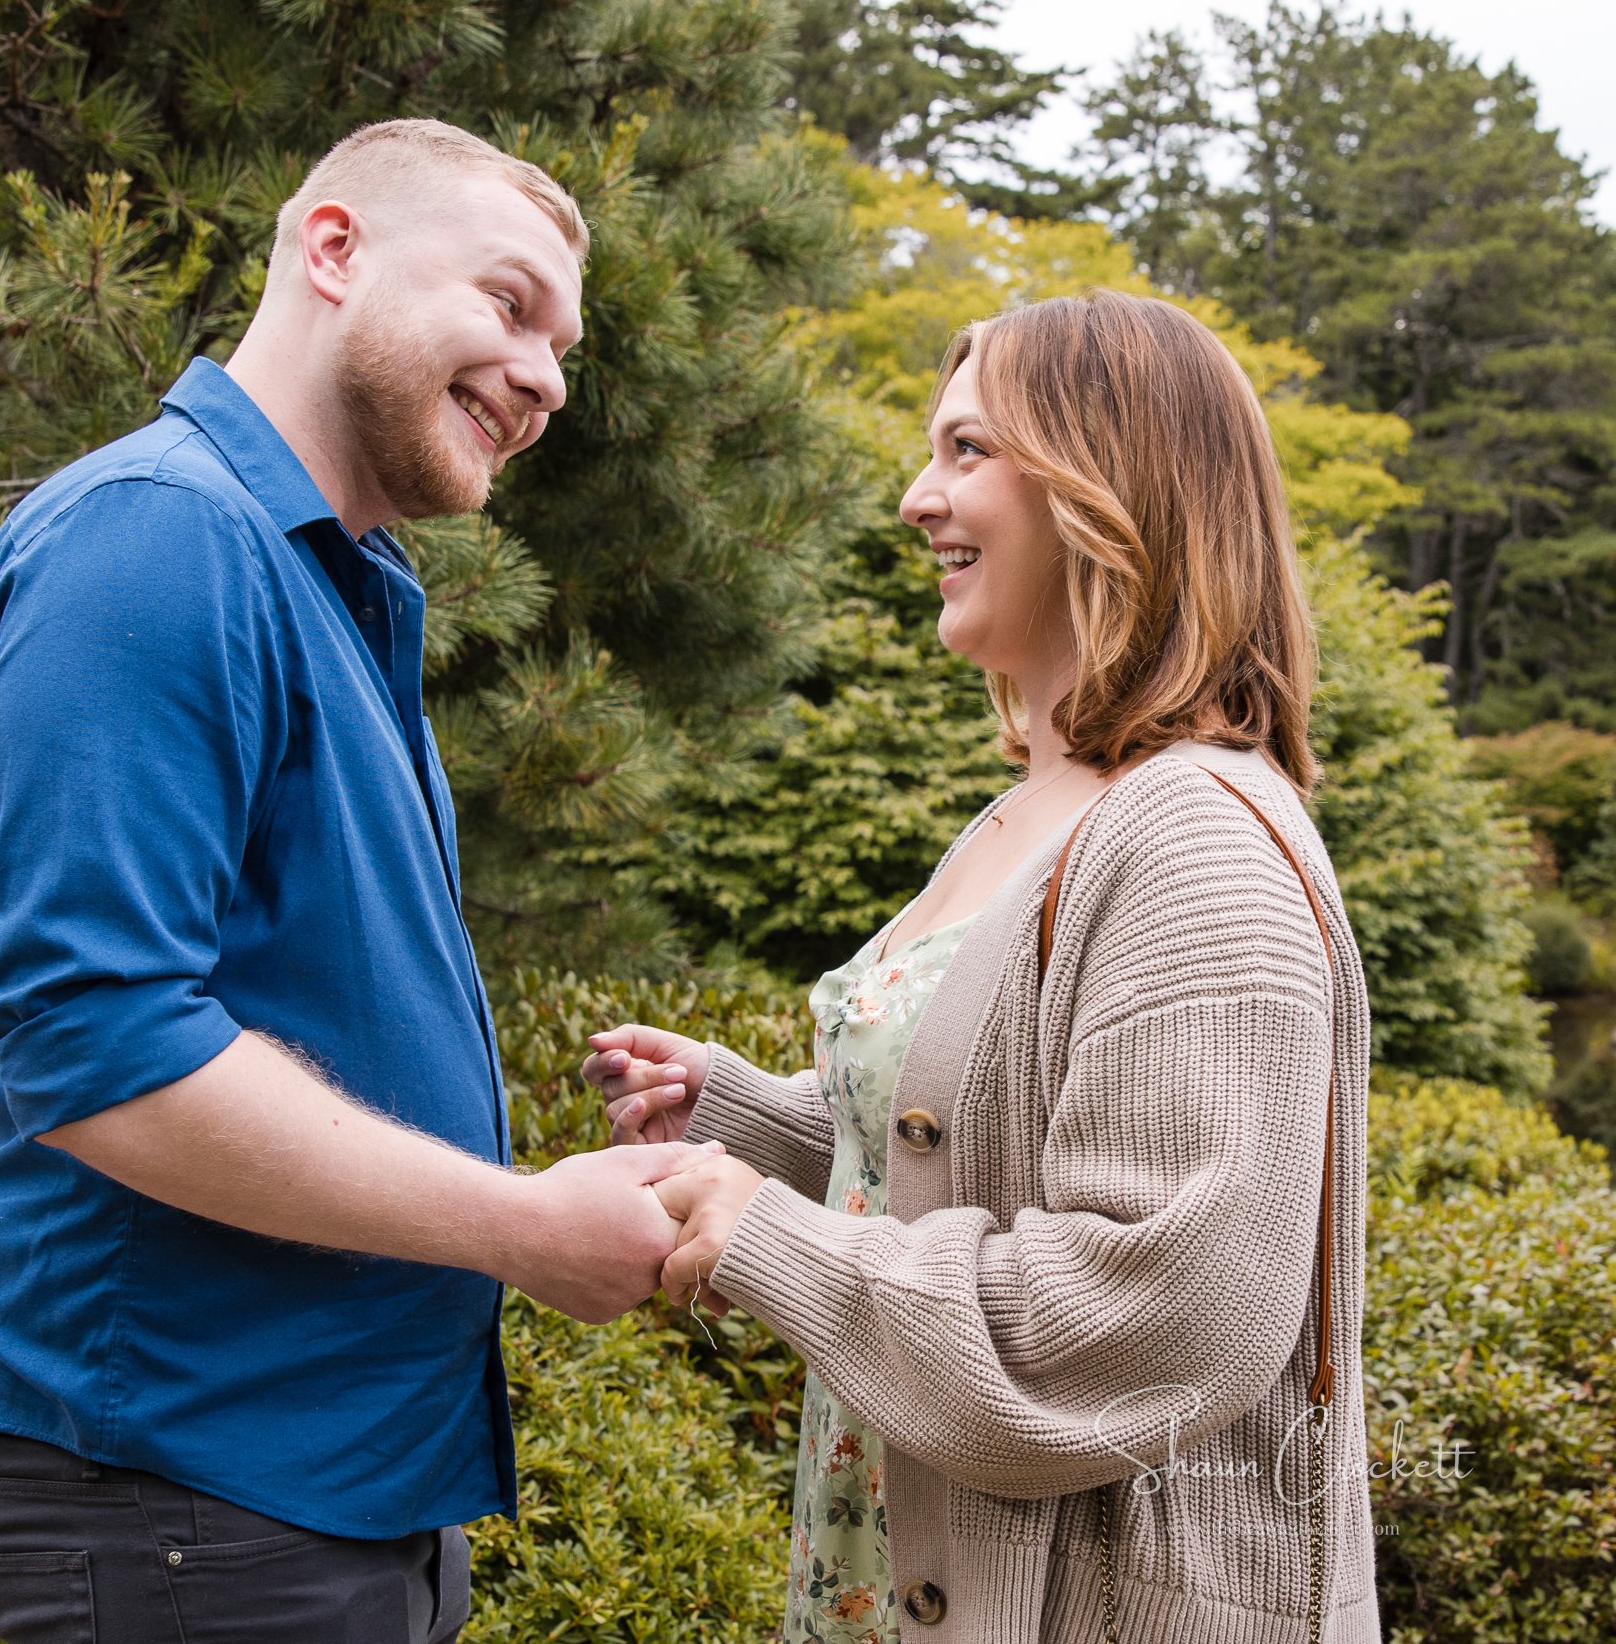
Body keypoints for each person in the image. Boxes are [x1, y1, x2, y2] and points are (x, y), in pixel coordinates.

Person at [0, 119, 720, 1643]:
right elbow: (102, 1047)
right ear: (335, 250)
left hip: (312, 1487)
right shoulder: (162, 539)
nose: (549, 373)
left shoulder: (332, 578)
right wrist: (516, 1222)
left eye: (564, 342)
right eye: (509, 302)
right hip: (186, 1483)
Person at [591, 292, 1380, 1643]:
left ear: (1108, 483)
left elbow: (1161, 1307)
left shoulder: (1197, 837)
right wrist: (750, 1126)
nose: (916, 498)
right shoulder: (1035, 802)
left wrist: (777, 1243)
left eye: (967, 451)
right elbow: (971, 1147)